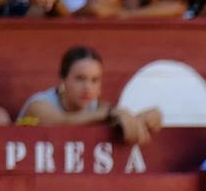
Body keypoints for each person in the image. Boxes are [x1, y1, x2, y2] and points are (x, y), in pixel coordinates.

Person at [17, 44, 163, 142]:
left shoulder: (99, 108)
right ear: (62, 79)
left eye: (94, 80)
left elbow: (125, 125)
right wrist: (110, 114)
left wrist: (144, 119)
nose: (87, 87)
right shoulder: (39, 105)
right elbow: (62, 123)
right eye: (80, 79)